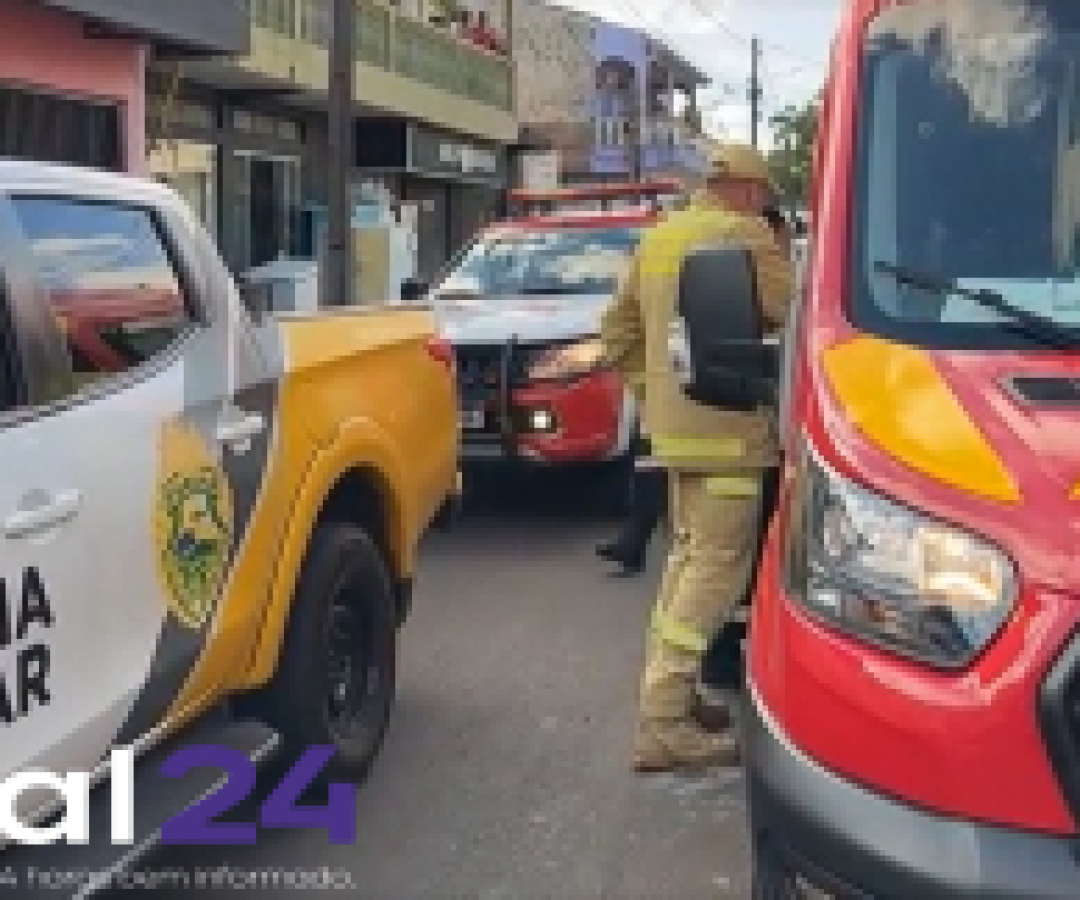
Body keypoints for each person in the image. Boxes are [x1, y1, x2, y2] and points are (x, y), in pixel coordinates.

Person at [600, 141, 794, 772]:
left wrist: (654, 397)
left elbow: (617, 334)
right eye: (760, 193)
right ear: (743, 188)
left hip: (674, 436)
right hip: (732, 438)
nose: (762, 204)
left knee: (686, 566)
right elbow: (792, 319)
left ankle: (674, 705)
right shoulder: (748, 236)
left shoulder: (659, 237)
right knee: (715, 572)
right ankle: (663, 724)